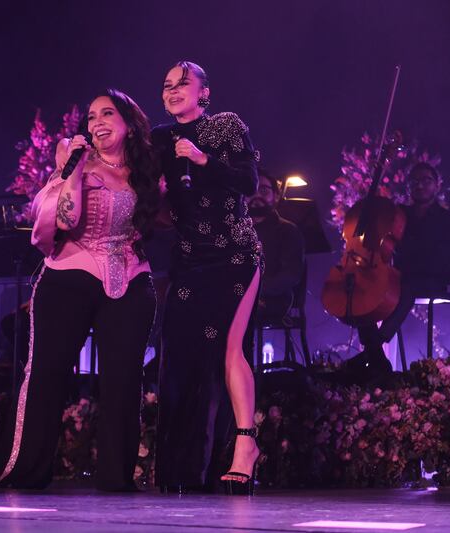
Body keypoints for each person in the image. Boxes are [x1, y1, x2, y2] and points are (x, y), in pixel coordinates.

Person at [0, 89, 159, 491]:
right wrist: (74, 166)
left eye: (107, 114)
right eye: (91, 116)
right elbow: (66, 220)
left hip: (129, 276)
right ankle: (28, 472)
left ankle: (116, 480)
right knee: (47, 374)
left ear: (129, 125)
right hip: (70, 272)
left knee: (123, 382)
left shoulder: (147, 173)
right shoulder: (76, 163)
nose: (97, 122)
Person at [152, 60, 263, 495]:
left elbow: (249, 181)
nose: (173, 90)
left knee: (229, 351)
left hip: (234, 253)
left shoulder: (226, 126)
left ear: (204, 92)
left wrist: (201, 158)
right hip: (187, 259)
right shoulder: (160, 139)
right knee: (176, 358)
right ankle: (178, 468)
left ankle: (244, 447)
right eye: (166, 86)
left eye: (183, 83)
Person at [353, 162, 450, 371]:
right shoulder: (399, 214)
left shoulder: (447, 220)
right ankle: (375, 355)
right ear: (408, 187)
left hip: (431, 279)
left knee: (406, 285)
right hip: (403, 277)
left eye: (427, 181)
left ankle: (374, 347)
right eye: (415, 181)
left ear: (437, 186)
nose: (420, 185)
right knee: (365, 284)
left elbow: (446, 261)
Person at [249, 170, 305, 322]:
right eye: (251, 190)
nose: (257, 196)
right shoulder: (235, 229)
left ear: (276, 196)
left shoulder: (288, 230)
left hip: (273, 299)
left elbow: (291, 274)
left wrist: (256, 290)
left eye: (264, 190)